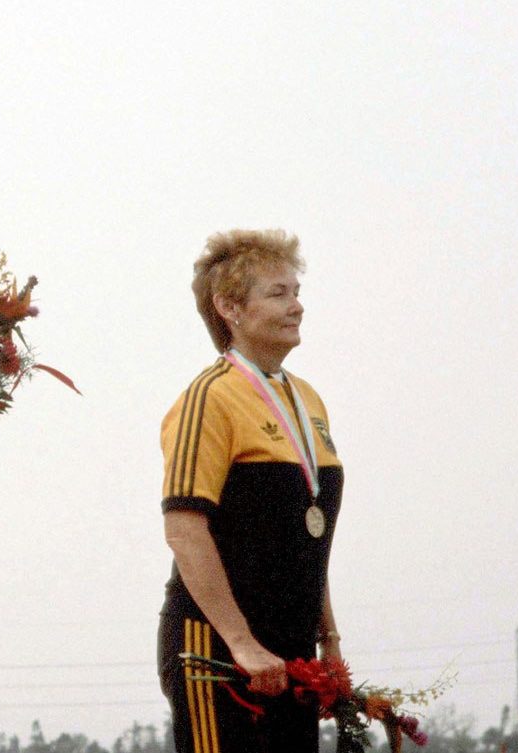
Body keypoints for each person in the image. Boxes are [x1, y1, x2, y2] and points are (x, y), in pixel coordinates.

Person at [157, 229, 345, 753]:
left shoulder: (307, 400)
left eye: (297, 291)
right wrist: (242, 644)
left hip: (292, 653)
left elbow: (309, 536)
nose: (298, 306)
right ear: (230, 307)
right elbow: (184, 530)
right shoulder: (210, 397)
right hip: (218, 647)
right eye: (279, 293)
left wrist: (328, 640)